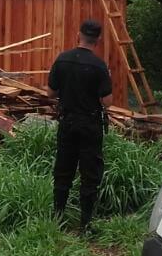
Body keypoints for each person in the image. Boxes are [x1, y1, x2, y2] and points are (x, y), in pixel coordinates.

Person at [48, 19, 112, 233]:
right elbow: (107, 102)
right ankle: (85, 224)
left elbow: (51, 93)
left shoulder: (62, 59)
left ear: (78, 35)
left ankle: (57, 219)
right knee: (90, 174)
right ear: (98, 39)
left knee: (63, 170)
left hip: (67, 122)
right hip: (90, 125)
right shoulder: (99, 66)